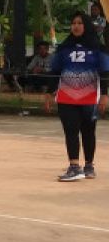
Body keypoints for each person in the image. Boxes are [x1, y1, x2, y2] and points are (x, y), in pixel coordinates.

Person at [44, 12, 109, 182]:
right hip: (66, 96)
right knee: (70, 131)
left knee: (88, 131)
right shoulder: (64, 47)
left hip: (89, 97)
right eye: (73, 23)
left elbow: (104, 73)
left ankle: (89, 165)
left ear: (86, 25)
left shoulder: (97, 48)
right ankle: (74, 167)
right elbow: (55, 72)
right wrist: (49, 93)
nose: (76, 26)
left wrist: (104, 95)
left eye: (80, 23)